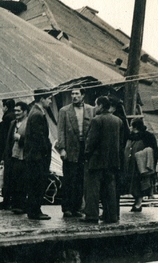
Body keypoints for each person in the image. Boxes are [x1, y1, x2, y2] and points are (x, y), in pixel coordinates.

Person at [81, 96, 123, 223]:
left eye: (95, 105)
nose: (95, 107)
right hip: (112, 161)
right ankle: (111, 215)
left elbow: (91, 141)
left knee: (92, 189)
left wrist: (86, 155)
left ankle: (92, 215)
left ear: (100, 105)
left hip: (96, 161)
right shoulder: (118, 121)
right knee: (110, 189)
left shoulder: (96, 120)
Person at [56, 88, 95, 218]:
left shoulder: (91, 110)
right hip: (70, 149)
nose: (74, 96)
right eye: (72, 94)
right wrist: (62, 149)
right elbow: (60, 130)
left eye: (77, 94)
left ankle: (78, 207)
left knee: (81, 180)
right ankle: (67, 208)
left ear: (83, 95)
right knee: (69, 179)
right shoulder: (64, 111)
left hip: (85, 149)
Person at [24, 89, 53, 220]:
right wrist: (46, 151)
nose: (50, 101)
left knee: (34, 184)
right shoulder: (37, 114)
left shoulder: (36, 112)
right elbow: (39, 137)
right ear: (42, 99)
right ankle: (35, 211)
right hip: (37, 157)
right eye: (48, 98)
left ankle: (34, 210)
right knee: (37, 184)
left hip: (35, 156)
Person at [0, 101, 29, 214]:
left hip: (23, 156)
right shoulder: (13, 123)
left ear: (25, 112)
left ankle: (21, 205)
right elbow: (8, 141)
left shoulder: (28, 123)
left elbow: (33, 140)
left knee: (21, 182)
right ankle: (14, 204)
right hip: (12, 156)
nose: (17, 113)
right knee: (12, 180)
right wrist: (4, 157)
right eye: (15, 111)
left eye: (19, 111)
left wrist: (21, 138)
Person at [124, 118, 158, 212]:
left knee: (139, 184)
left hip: (141, 166)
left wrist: (151, 166)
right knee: (132, 184)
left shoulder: (148, 136)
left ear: (135, 126)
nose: (130, 127)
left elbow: (153, 151)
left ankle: (138, 203)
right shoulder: (130, 136)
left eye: (131, 125)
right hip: (130, 165)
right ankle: (136, 202)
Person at [0, 99, 15, 210]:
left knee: (6, 177)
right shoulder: (15, 116)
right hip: (13, 151)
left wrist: (0, 154)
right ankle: (10, 200)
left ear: (5, 107)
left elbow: (3, 138)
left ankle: (6, 201)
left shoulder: (7, 118)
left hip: (7, 152)